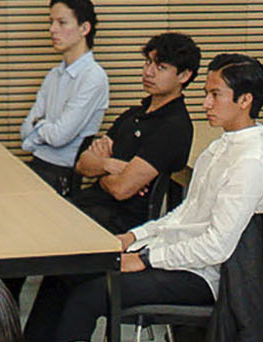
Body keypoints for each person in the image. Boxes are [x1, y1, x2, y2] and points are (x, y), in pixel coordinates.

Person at [22, 54, 263, 342]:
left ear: (245, 101)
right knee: (65, 275)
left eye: (214, 95)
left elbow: (217, 248)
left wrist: (146, 259)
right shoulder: (220, 148)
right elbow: (186, 215)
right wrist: (135, 237)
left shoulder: (251, 162)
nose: (205, 103)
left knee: (89, 294)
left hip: (205, 276)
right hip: (175, 257)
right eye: (206, 93)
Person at [69, 31, 200, 236]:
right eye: (148, 63)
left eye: (161, 67)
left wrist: (102, 170)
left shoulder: (173, 127)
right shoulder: (134, 114)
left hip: (117, 222)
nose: (149, 72)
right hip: (89, 206)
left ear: (184, 75)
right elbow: (82, 165)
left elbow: (121, 190)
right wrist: (109, 165)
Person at [18, 0, 109, 194]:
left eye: (61, 23)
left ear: (84, 28)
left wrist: (38, 125)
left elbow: (60, 136)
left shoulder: (93, 77)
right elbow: (24, 131)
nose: (52, 30)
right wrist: (44, 129)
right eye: (51, 22)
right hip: (38, 165)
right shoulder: (54, 74)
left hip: (61, 176)